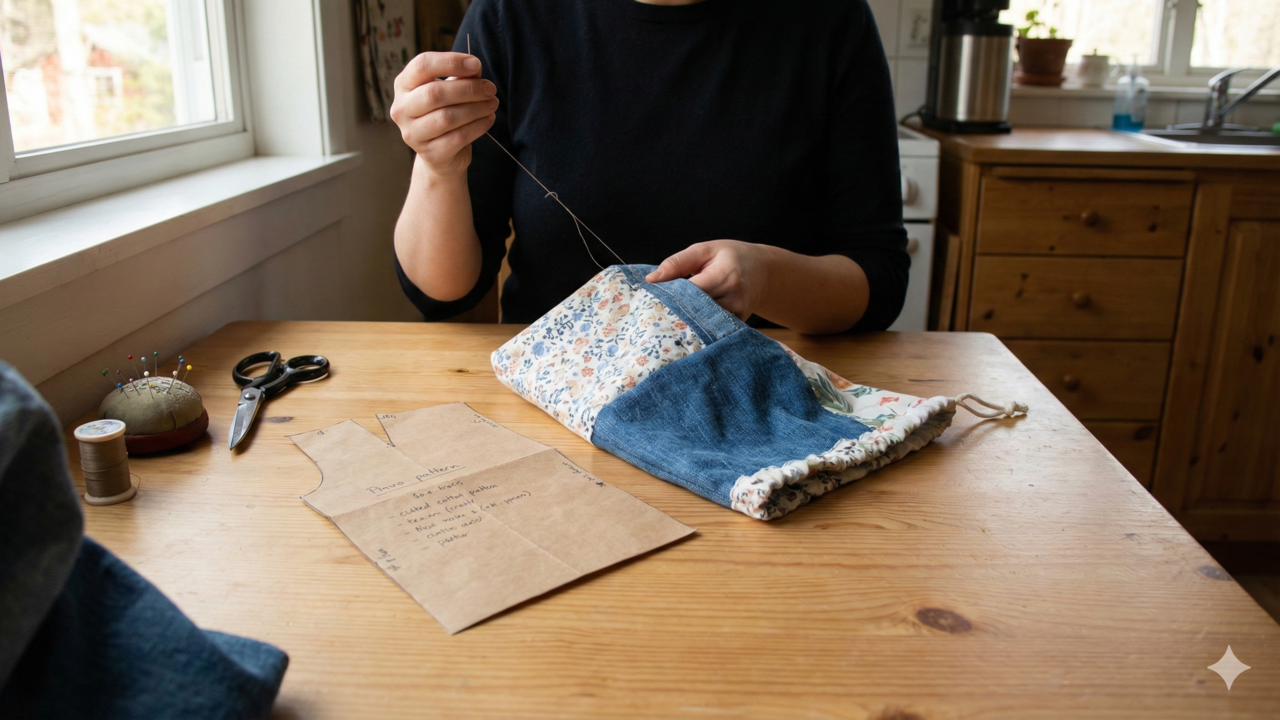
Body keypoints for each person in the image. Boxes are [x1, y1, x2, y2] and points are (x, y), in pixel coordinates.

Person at [392, 0, 908, 335]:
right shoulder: (511, 14)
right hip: (555, 401)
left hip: (762, 398)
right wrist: (437, 168)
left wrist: (767, 278)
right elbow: (444, 294)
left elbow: (879, 278)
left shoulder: (830, 18)